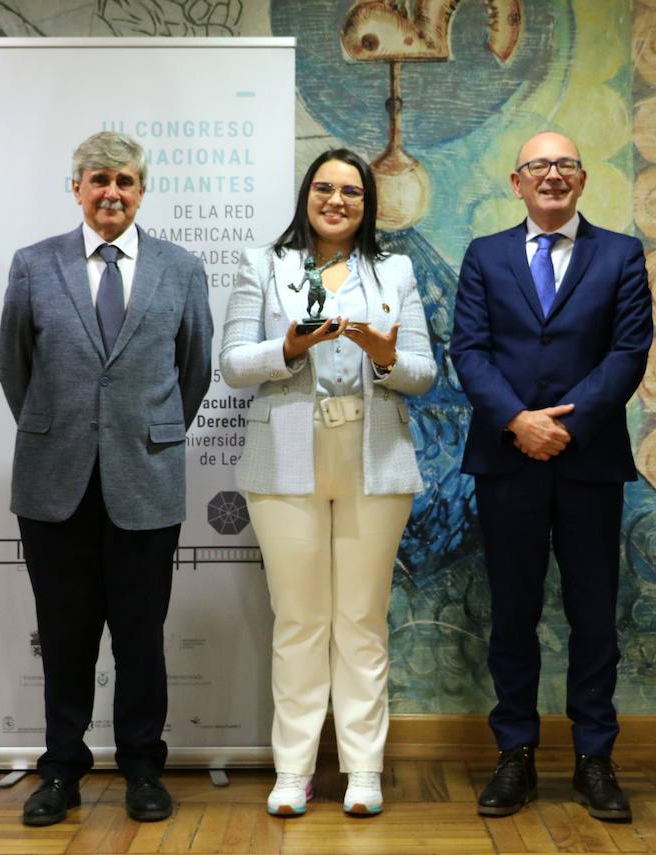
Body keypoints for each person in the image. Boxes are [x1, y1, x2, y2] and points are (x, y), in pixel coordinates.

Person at [0, 131, 212, 826]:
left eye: (125, 180)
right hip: (53, 483)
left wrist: (140, 433)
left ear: (142, 190)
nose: (111, 192)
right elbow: (15, 369)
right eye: (98, 180)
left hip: (145, 480)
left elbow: (195, 369)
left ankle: (143, 767)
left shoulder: (180, 269)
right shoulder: (34, 264)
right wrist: (62, 429)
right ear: (77, 188)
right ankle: (61, 769)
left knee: (140, 637)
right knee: (64, 637)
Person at [220, 148, 436, 817]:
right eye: (325, 188)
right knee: (300, 620)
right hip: (287, 456)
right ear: (306, 195)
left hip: (372, 458)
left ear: (368, 203)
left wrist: (386, 356)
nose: (337, 200)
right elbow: (231, 364)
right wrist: (288, 347)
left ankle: (364, 769)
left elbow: (424, 372)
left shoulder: (394, 269)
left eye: (351, 191)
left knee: (362, 619)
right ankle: (294, 771)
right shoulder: (264, 264)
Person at [450, 131, 652, 822]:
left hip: (588, 460)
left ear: (584, 178)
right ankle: (517, 754)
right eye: (539, 165)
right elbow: (468, 350)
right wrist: (518, 420)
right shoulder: (485, 256)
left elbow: (630, 350)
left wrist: (567, 423)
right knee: (513, 611)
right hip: (507, 460)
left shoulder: (621, 254)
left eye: (566, 163)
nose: (553, 175)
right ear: (516, 181)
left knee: (594, 612)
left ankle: (595, 756)